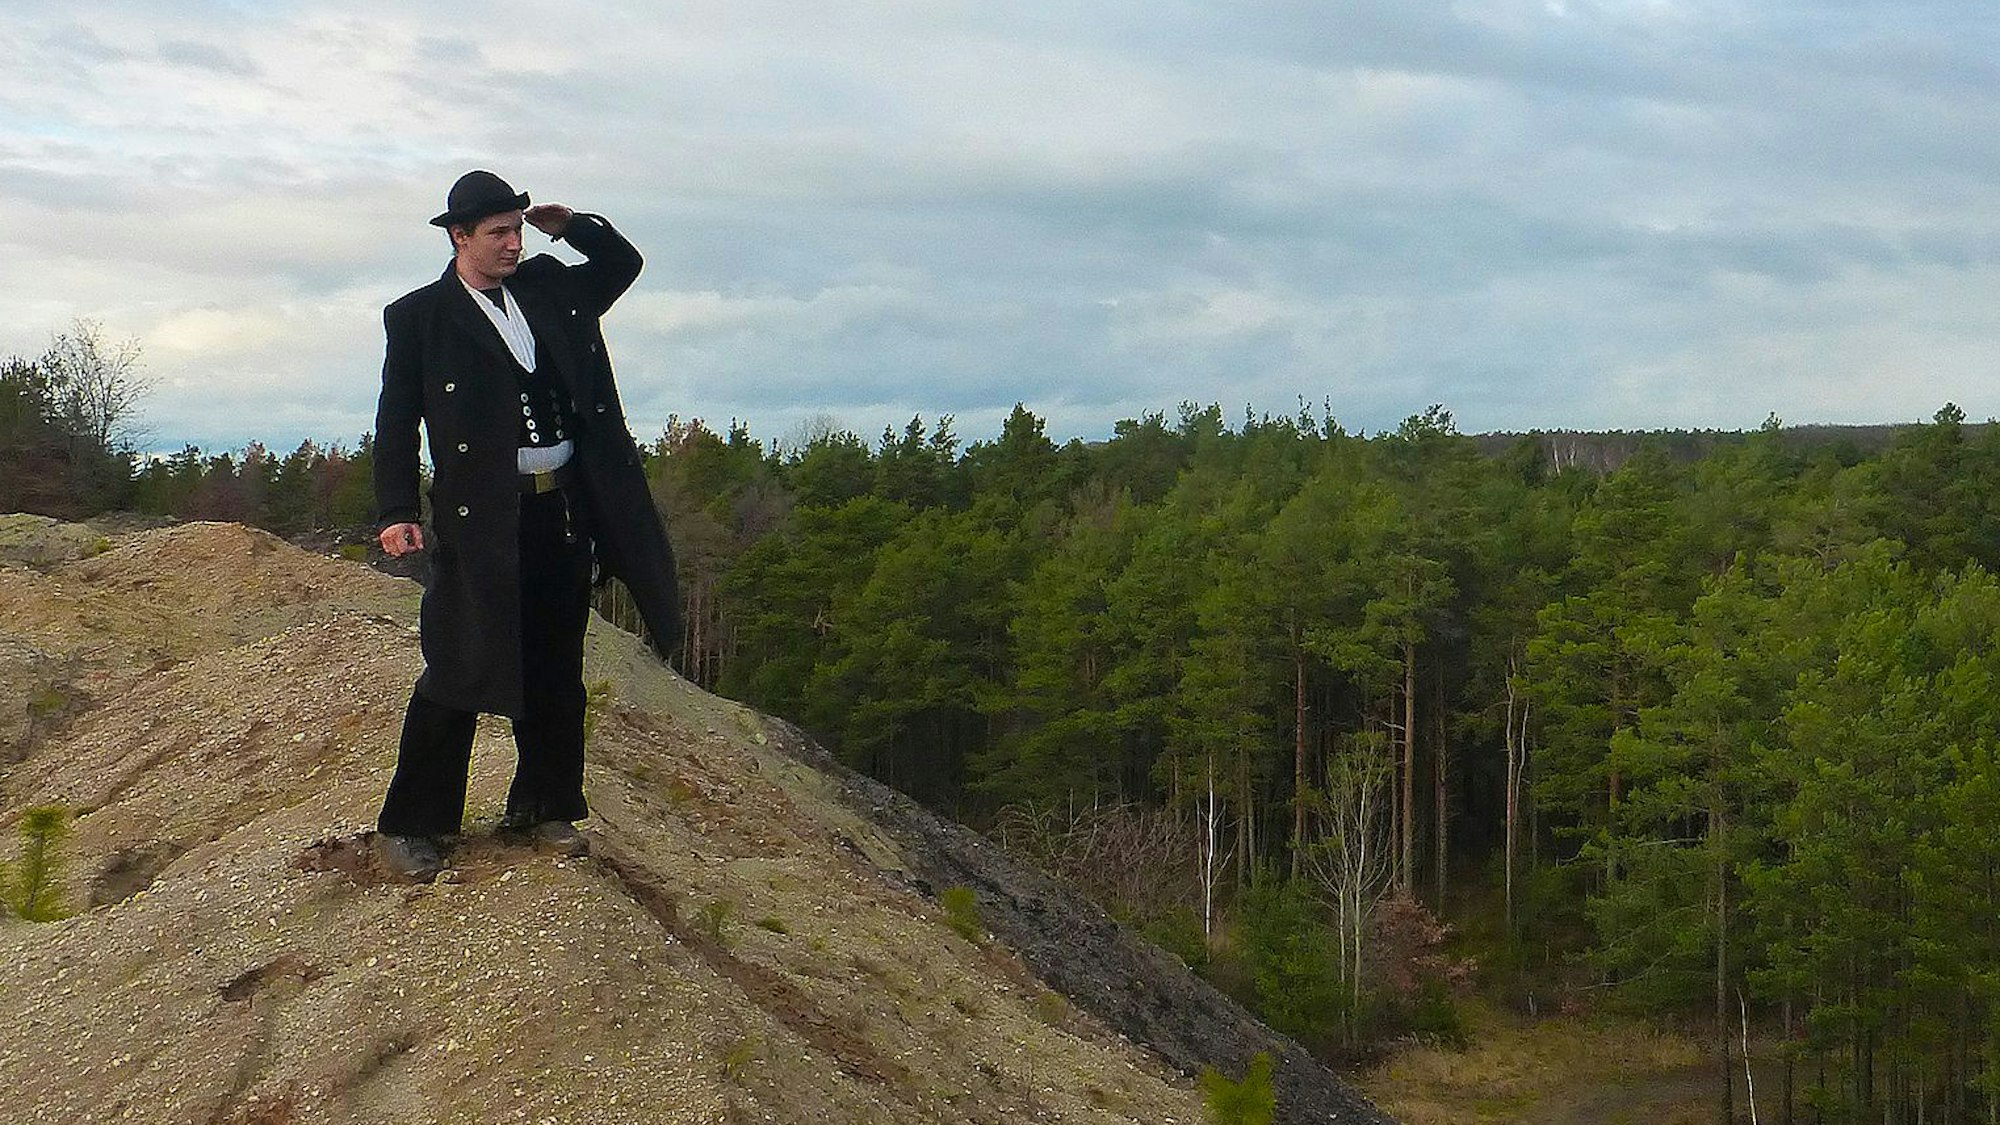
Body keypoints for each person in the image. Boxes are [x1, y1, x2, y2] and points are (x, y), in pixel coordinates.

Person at [372, 169, 680, 881]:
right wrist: (395, 511)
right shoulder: (419, 317)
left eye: (516, 229)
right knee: (459, 664)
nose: (512, 243)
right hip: (480, 517)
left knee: (554, 668)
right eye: (498, 233)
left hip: (563, 509)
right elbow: (396, 421)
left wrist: (569, 226)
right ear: (459, 237)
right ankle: (412, 823)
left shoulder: (550, 289)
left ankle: (543, 807)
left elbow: (622, 265)